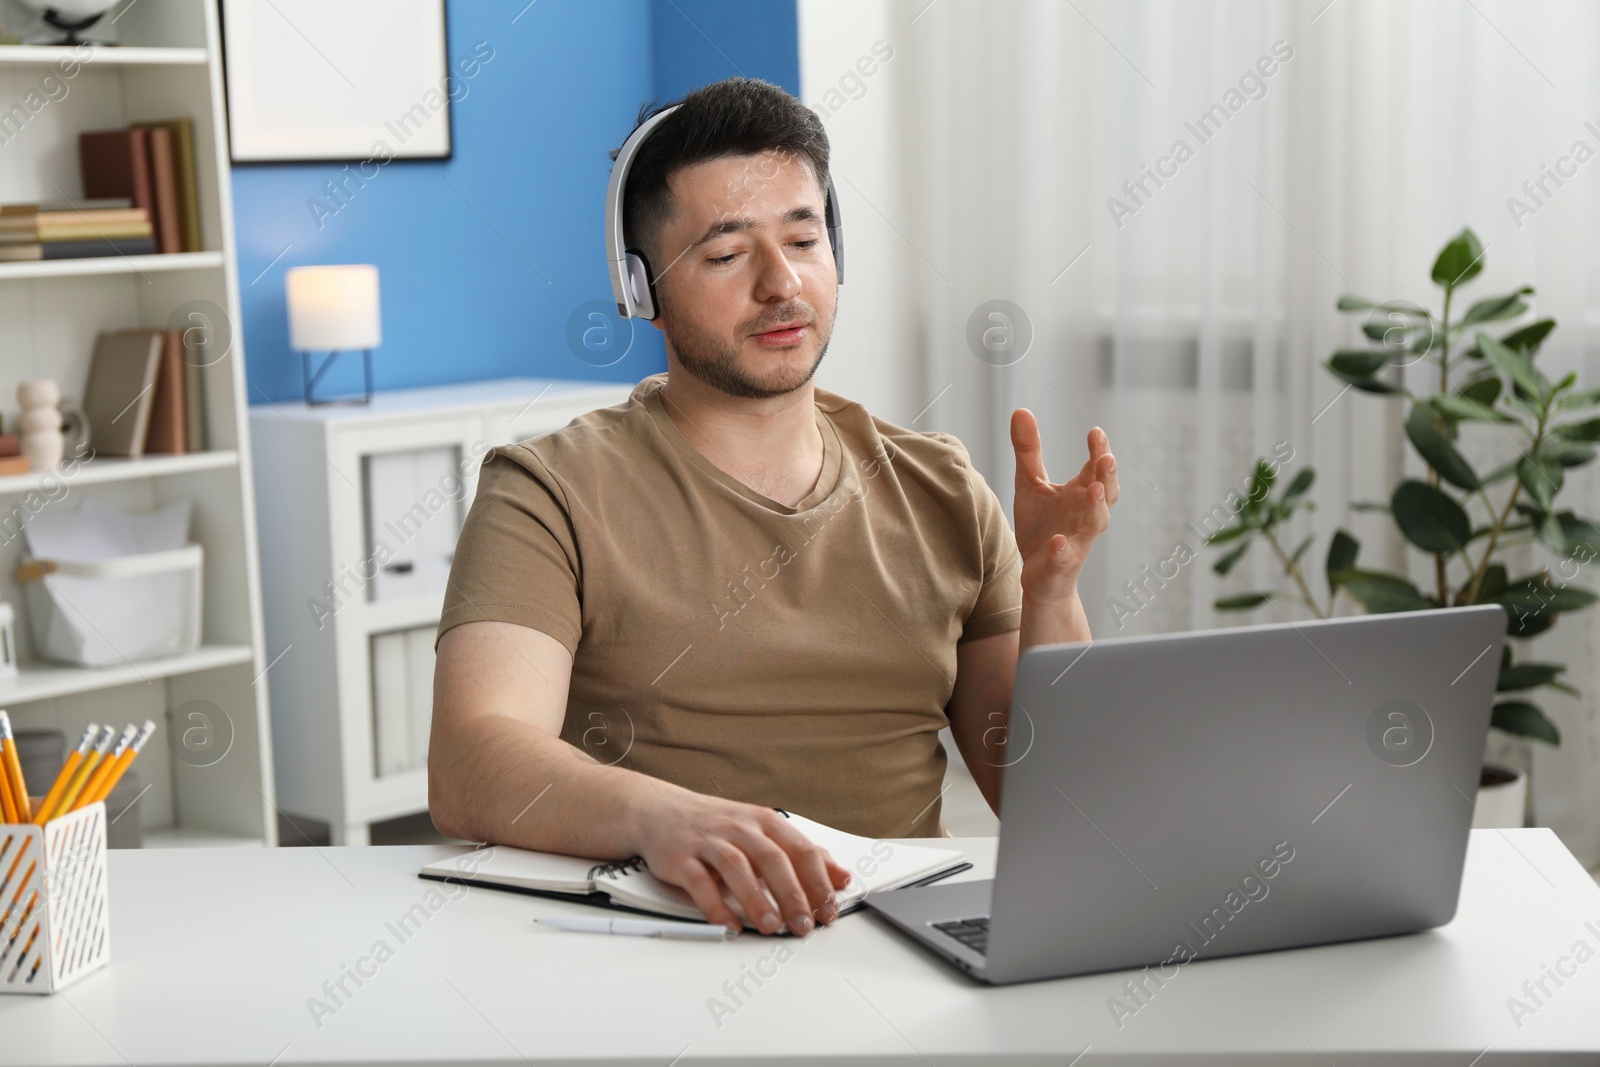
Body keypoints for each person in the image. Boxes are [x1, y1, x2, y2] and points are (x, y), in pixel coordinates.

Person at [429, 77, 1118, 938]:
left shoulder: (941, 487)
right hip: (665, 940)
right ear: (641, 289)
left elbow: (1057, 803)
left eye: (805, 238)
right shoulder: (549, 491)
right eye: (725, 255)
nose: (781, 282)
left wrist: (1051, 594)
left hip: (907, 951)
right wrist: (665, 818)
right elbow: (469, 763)